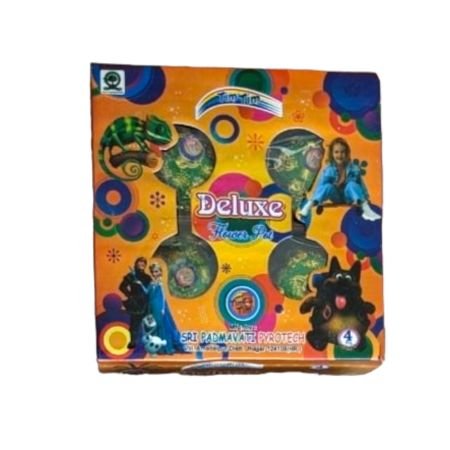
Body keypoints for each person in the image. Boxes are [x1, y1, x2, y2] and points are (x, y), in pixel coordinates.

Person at [298, 137, 381, 221]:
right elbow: (321, 186)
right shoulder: (329, 169)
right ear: (332, 154)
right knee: (327, 186)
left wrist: (366, 198)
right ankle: (309, 205)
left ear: (347, 153)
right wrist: (317, 199)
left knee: (352, 184)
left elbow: (361, 185)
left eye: (342, 152)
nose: (339, 155)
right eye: (336, 152)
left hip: (349, 196)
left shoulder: (354, 168)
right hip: (335, 196)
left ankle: (366, 210)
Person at [137, 263, 187, 354]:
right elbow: (147, 292)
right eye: (153, 272)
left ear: (160, 272)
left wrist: (163, 308)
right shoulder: (151, 283)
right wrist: (141, 285)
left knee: (161, 324)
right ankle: (155, 347)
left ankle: (164, 347)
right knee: (153, 325)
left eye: (156, 271)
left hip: (159, 305)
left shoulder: (160, 283)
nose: (154, 273)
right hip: (151, 306)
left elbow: (163, 296)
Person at [119, 257, 151, 349]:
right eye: (140, 263)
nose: (142, 265)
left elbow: (149, 290)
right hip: (135, 304)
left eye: (143, 263)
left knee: (149, 323)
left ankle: (149, 342)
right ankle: (133, 342)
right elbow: (122, 287)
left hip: (146, 303)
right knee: (134, 324)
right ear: (136, 264)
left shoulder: (147, 277)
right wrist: (130, 296)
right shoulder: (130, 276)